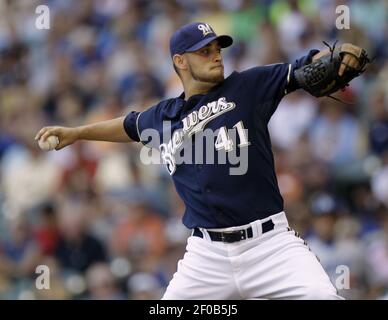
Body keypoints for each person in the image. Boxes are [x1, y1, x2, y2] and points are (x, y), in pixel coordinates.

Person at [35, 22, 366, 299]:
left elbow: (301, 67)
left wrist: (334, 55)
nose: (215, 56)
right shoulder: (163, 117)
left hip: (270, 245)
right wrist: (77, 132)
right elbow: (127, 126)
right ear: (180, 61)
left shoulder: (247, 86)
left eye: (217, 49)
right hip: (206, 256)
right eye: (204, 51)